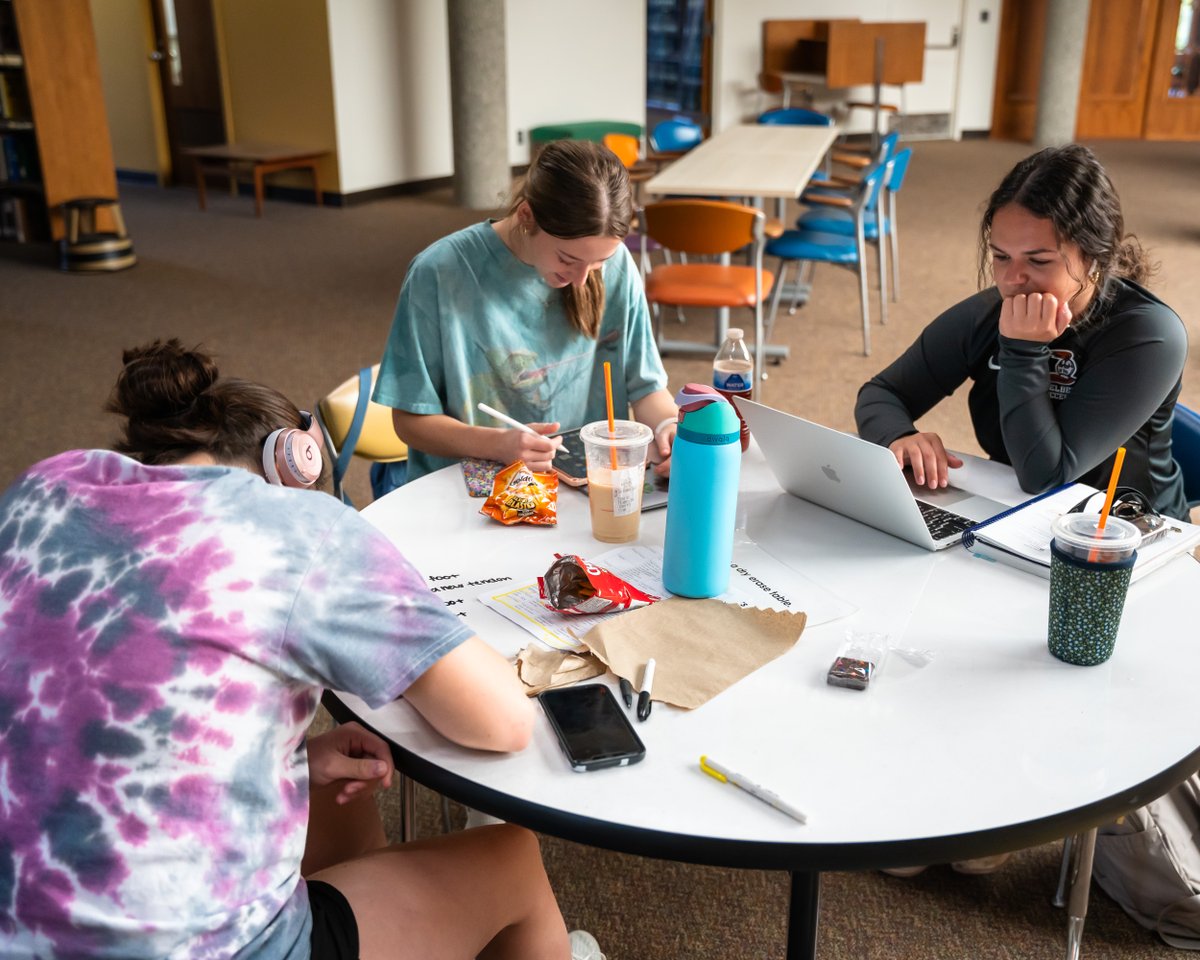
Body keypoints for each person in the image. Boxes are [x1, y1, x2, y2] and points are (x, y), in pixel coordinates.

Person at [0, 339, 602, 960]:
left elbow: (85, 694)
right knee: (511, 859)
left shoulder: (46, 486)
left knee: (336, 804)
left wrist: (287, 759)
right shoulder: (297, 530)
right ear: (299, 461)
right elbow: (501, 723)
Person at [856, 143, 1189, 521]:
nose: (1012, 279)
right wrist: (898, 436)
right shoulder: (989, 313)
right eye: (1001, 256)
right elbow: (882, 393)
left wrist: (1022, 349)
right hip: (1018, 514)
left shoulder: (1150, 336)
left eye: (1038, 260)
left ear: (1095, 257)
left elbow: (1045, 475)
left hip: (1128, 533)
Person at [372, 138, 679, 493]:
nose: (582, 280)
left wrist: (667, 426)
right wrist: (496, 445)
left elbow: (646, 389)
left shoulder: (617, 266)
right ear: (526, 217)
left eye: (598, 264)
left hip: (580, 490)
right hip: (469, 494)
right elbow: (410, 420)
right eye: (567, 259)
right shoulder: (440, 273)